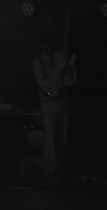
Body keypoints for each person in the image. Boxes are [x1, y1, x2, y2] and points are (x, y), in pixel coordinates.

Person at [31, 46, 77, 182]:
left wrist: (69, 68)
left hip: (61, 102)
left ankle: (61, 169)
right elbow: (43, 83)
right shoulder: (38, 62)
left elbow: (69, 81)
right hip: (48, 103)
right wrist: (59, 72)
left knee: (63, 137)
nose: (50, 50)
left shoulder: (58, 57)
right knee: (50, 138)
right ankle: (49, 173)